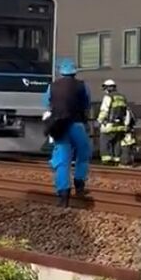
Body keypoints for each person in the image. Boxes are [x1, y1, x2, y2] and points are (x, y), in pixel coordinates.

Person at [43, 58, 92, 206]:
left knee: (62, 160)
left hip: (60, 126)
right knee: (83, 154)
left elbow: (47, 104)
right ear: (74, 72)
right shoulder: (82, 86)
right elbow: (87, 104)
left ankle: (63, 195)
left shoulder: (52, 86)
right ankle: (79, 183)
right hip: (77, 125)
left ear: (61, 72)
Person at [96, 78, 134, 164]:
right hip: (120, 125)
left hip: (109, 125)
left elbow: (104, 110)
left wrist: (100, 120)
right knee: (117, 142)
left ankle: (107, 160)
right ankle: (117, 159)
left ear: (108, 88)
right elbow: (126, 112)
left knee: (104, 141)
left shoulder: (108, 97)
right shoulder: (122, 97)